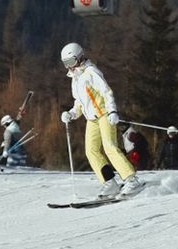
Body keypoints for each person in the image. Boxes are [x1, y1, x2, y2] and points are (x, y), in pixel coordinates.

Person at [58, 42, 142, 198]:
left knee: (110, 147)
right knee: (91, 151)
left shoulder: (91, 72)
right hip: (92, 119)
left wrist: (112, 111)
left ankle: (132, 181)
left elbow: (107, 92)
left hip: (104, 114)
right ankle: (109, 183)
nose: (69, 67)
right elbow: (79, 102)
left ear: (80, 57)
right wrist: (71, 113)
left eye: (71, 62)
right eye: (66, 64)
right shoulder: (75, 78)